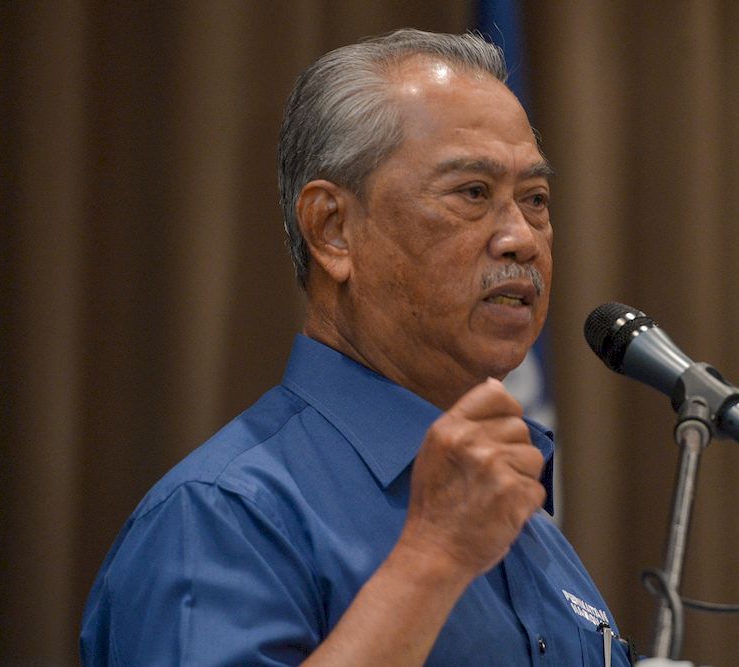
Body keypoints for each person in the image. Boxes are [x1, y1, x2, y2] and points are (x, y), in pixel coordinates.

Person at [80, 29, 634, 666]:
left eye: (535, 201)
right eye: (473, 193)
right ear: (333, 229)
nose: (521, 239)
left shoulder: (525, 525)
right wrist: (431, 562)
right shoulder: (220, 516)